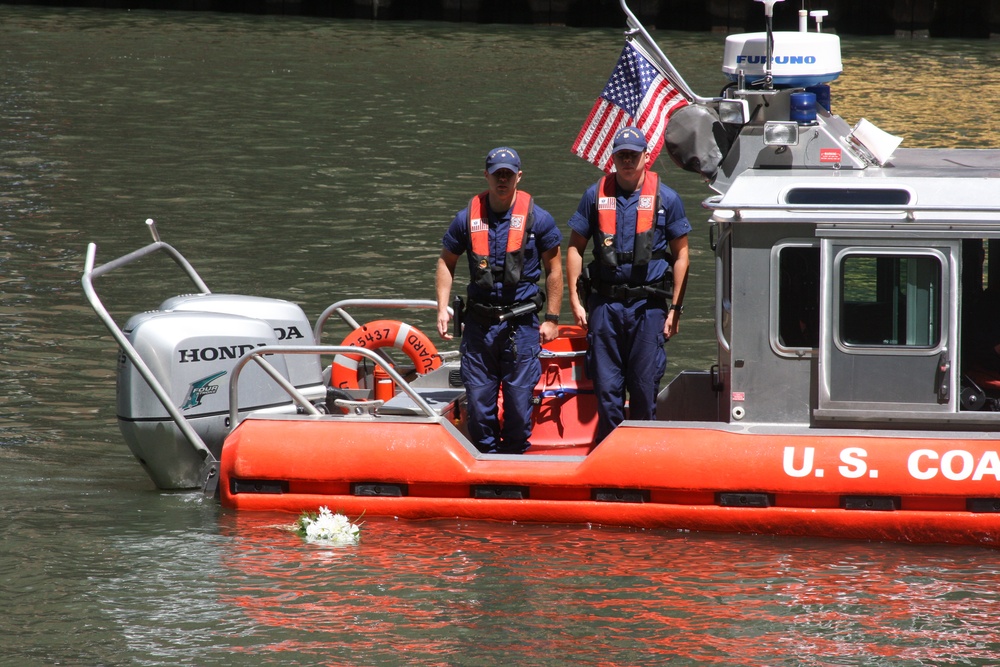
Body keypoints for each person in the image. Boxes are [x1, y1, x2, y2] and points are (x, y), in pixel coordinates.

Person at [566, 126, 691, 444]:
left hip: (648, 310)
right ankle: (610, 464)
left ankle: (641, 458)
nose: (627, 161)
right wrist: (575, 300)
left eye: (633, 155)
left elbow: (682, 257)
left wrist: (675, 309)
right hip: (605, 307)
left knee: (643, 389)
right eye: (621, 155)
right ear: (613, 158)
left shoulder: (668, 200)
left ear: (646, 157)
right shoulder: (594, 197)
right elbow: (574, 248)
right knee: (607, 392)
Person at [436, 147, 563, 454]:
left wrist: (553, 317)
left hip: (520, 326)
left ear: (518, 176)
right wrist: (442, 307)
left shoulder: (538, 219)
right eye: (497, 174)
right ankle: (486, 466)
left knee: (519, 406)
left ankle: (516, 463)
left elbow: (555, 269)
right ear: (487, 176)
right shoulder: (467, 218)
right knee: (479, 406)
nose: (502, 180)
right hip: (479, 328)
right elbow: (446, 262)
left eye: (508, 174)